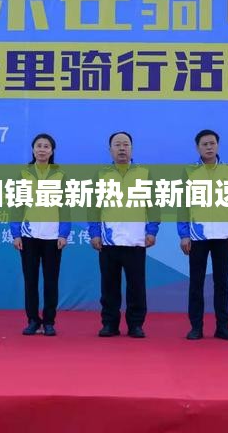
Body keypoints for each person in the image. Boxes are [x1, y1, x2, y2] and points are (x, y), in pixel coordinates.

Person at [89, 131, 159, 339]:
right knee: (109, 286)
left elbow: (153, 207)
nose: (122, 148)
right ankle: (109, 324)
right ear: (110, 149)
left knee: (136, 286)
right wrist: (95, 233)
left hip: (136, 241)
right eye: (117, 145)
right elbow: (93, 209)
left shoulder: (143, 174)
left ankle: (136, 324)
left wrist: (151, 231)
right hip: (108, 241)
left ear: (132, 149)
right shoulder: (101, 175)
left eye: (126, 144)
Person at [177, 129, 228, 341]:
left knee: (222, 284)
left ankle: (223, 327)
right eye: (204, 144)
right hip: (198, 236)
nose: (209, 147)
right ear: (198, 148)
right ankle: (196, 327)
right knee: (196, 284)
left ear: (218, 145)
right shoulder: (189, 172)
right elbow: (182, 206)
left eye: (212, 143)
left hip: (223, 236)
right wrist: (184, 234)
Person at [10, 133, 70, 336]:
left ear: (52, 151)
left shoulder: (60, 175)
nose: (42, 149)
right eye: (39, 146)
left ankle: (49, 321)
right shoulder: (24, 174)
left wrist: (63, 233)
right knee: (31, 281)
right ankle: (33, 320)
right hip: (29, 236)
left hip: (53, 237)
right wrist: (16, 234)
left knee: (51, 281)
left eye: (46, 146)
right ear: (33, 150)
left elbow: (65, 207)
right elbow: (17, 206)